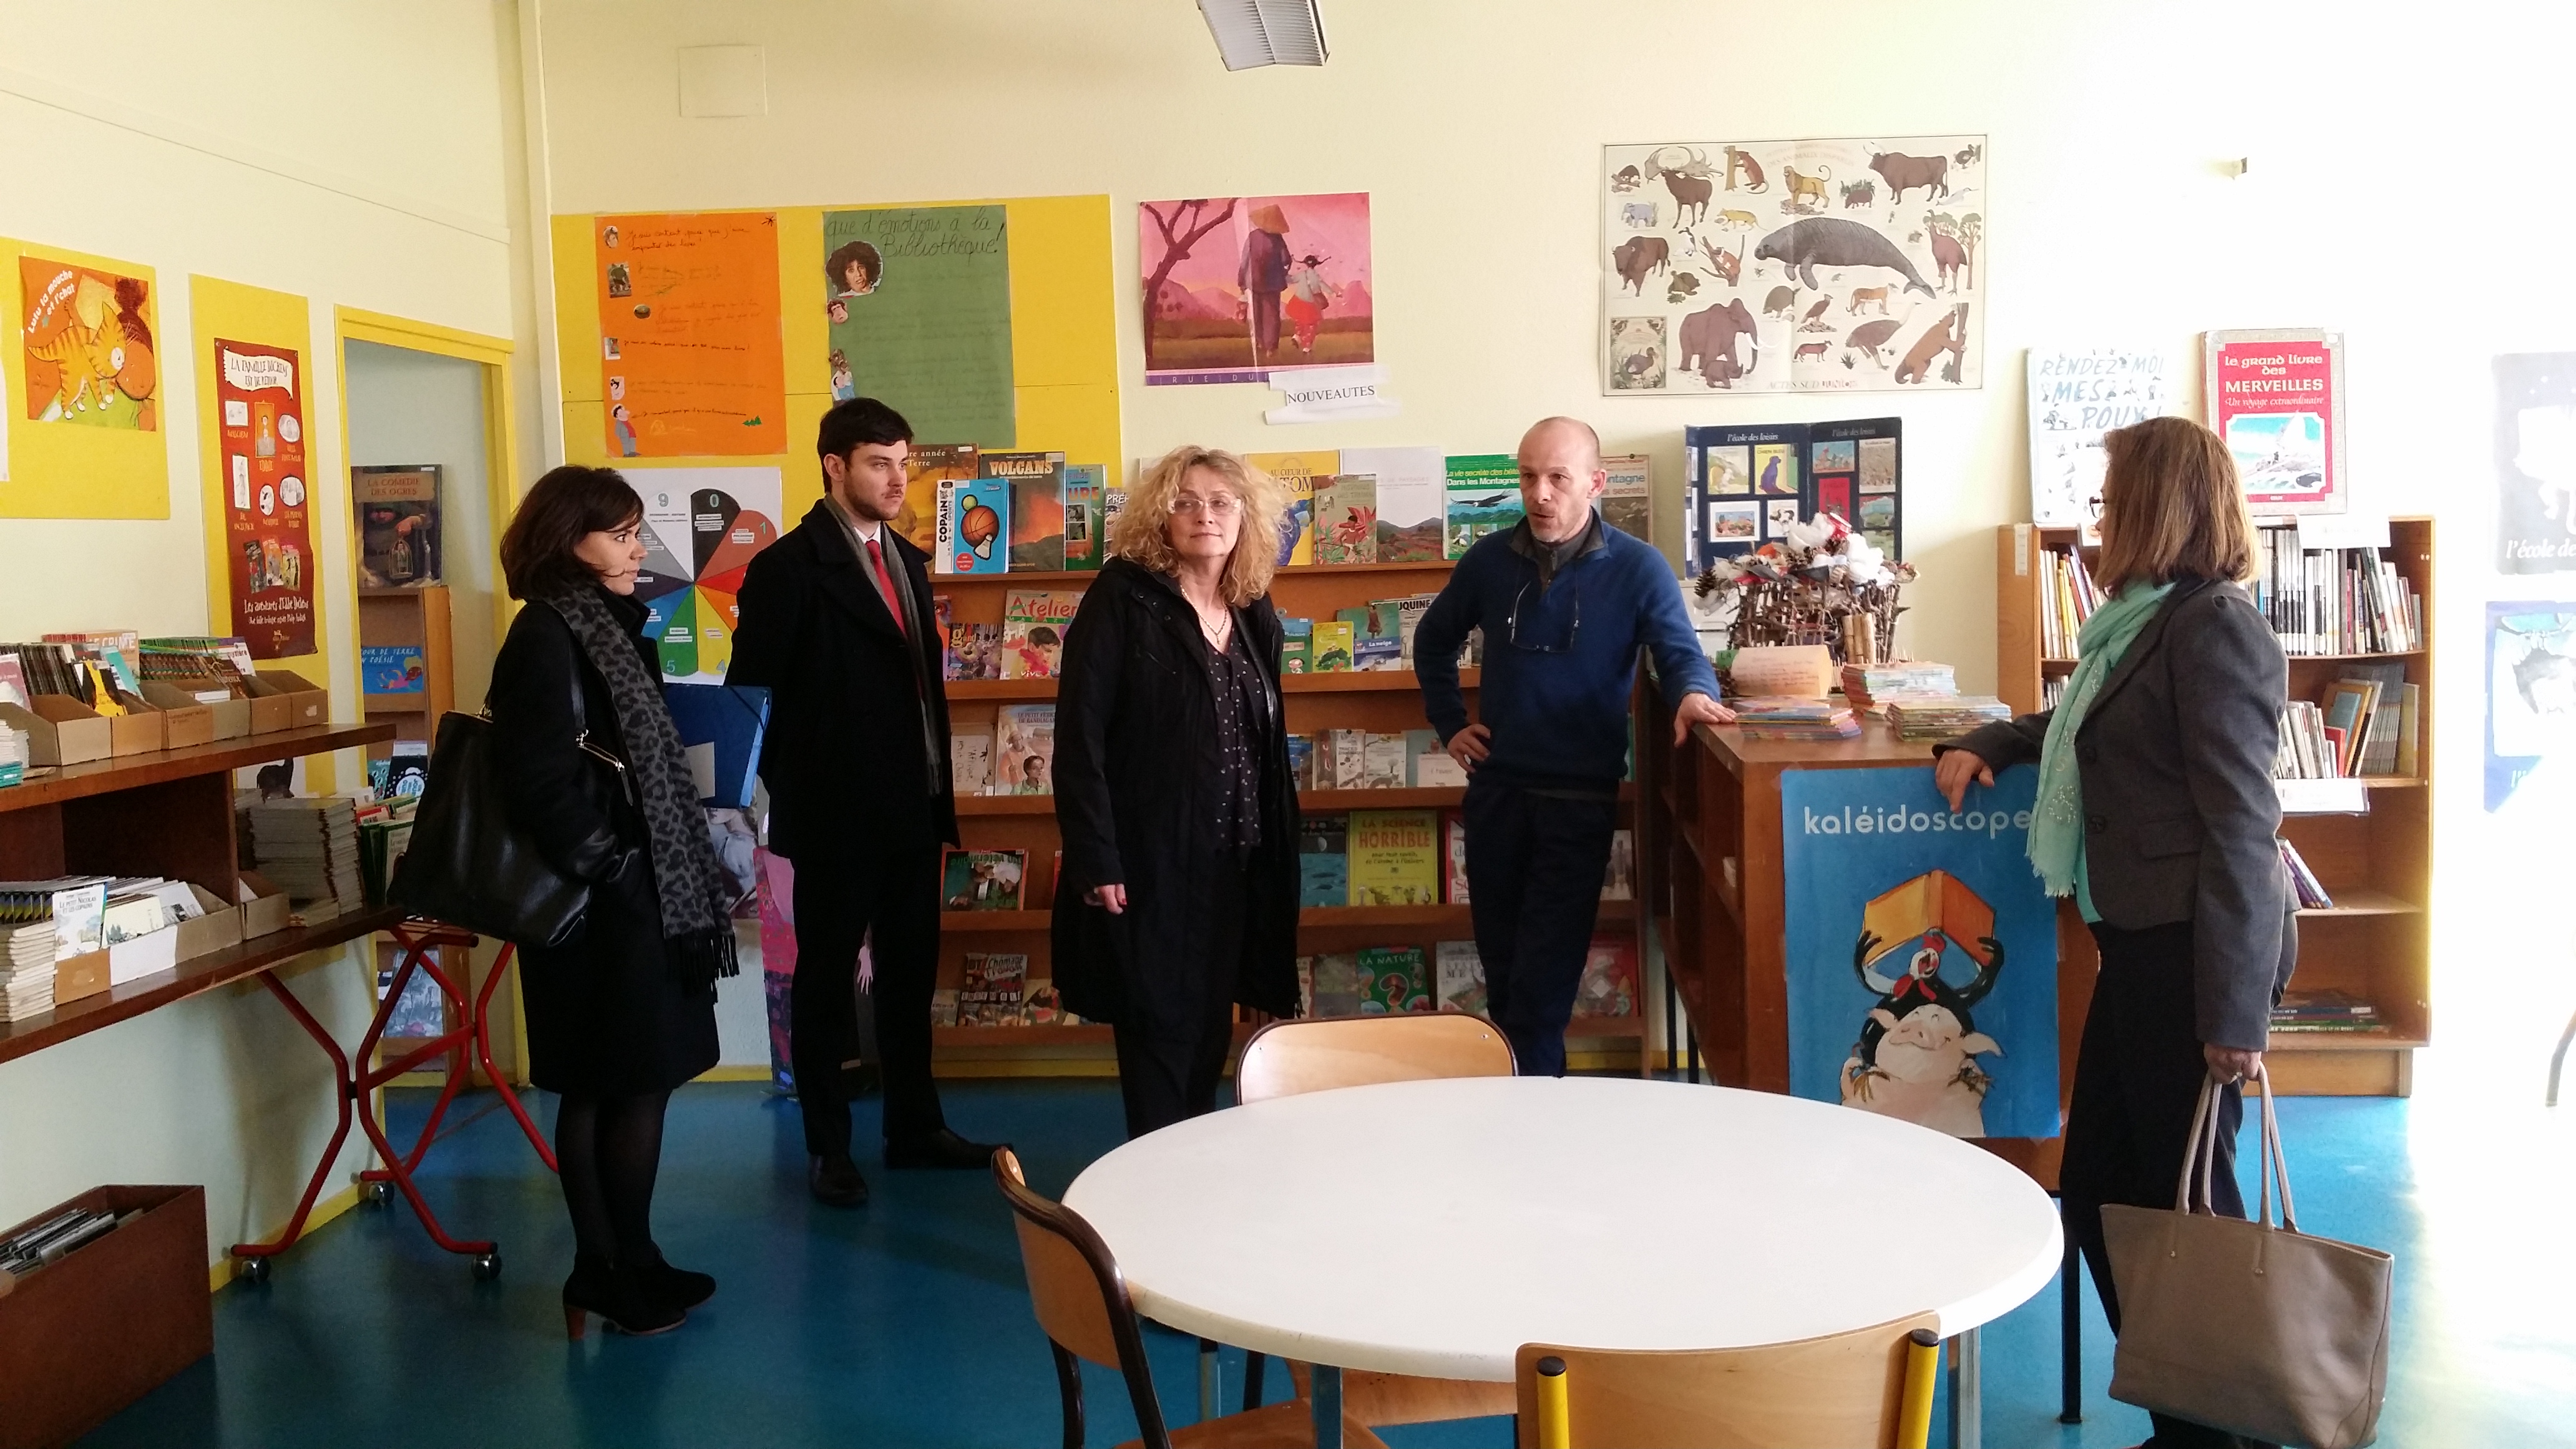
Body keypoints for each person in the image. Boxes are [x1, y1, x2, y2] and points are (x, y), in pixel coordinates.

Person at [1934, 415, 2294, 1449]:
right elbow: (2081, 727)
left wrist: (2233, 1017)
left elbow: (2240, 827)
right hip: (2140, 946)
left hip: (2192, 955)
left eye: (2106, 499)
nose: (2095, 520)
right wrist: (1999, 736)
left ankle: (2222, 1429)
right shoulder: (2139, 627)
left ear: (2154, 507)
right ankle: (2191, 1420)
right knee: (2098, 1189)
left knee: (2189, 1214)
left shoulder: (2213, 626)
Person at [728, 397, 1000, 1207]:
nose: (897, 477)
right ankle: (828, 1147)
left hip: (913, 807)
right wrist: (810, 785)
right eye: (880, 462)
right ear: (834, 466)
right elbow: (756, 699)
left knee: (911, 977)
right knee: (825, 986)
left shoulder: (908, 564)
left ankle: (915, 1126)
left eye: (904, 462)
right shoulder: (785, 569)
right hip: (838, 816)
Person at [489, 464, 741, 1337]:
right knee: (612, 1085)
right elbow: (541, 780)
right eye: (624, 532)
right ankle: (599, 1267)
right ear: (572, 541)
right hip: (597, 905)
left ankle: (634, 1256)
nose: (641, 548)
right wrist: (620, 865)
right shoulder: (546, 635)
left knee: (637, 1082)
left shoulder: (608, 626)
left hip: (637, 895)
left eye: (638, 530)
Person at [1414, 417, 1731, 1076]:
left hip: (1577, 800)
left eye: (1558, 477)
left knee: (1544, 984)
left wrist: (1695, 694)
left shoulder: (1638, 567)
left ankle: (1535, 1119)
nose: (1540, 493)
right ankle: (1524, 1108)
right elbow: (1433, 641)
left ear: (1595, 481)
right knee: (1504, 976)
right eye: (1528, 476)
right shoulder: (1488, 562)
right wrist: (1450, 723)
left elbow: (1678, 654)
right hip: (1498, 796)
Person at [1053, 446, 1300, 1137]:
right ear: (1160, 516)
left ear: (1245, 517)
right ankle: (1156, 1187)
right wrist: (1096, 856)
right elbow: (1080, 738)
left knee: (1207, 1034)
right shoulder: (1122, 597)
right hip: (1151, 864)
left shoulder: (1252, 608)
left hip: (1235, 866)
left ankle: (1189, 1172)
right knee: (1159, 1029)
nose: (1204, 516)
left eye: (1221, 502)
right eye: (1185, 502)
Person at [1239, 204, 1291, 361]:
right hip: (1273, 283)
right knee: (1272, 316)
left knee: (1256, 313)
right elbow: (1286, 259)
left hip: (1254, 282)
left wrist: (1241, 281)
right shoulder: (1278, 239)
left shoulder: (1252, 237)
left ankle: (1260, 342)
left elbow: (1244, 261)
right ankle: (1271, 347)